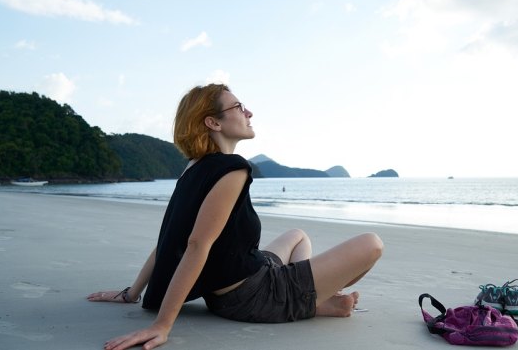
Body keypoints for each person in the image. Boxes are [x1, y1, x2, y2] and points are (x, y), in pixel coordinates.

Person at [87, 84, 383, 350]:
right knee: (372, 244)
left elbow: (168, 238)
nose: (249, 112)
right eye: (239, 107)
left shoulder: (195, 167)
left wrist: (133, 293)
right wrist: (162, 326)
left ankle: (311, 296)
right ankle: (311, 301)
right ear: (213, 122)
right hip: (254, 296)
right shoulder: (232, 170)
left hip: (242, 280)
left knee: (298, 235)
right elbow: (196, 246)